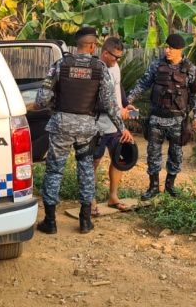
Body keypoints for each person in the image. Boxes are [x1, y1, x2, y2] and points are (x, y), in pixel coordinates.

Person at [34, 27, 128, 235]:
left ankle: (50, 222)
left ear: (78, 45)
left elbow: (42, 99)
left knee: (54, 171)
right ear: (93, 46)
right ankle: (85, 221)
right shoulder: (99, 68)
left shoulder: (61, 64)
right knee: (86, 170)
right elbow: (111, 105)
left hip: (61, 126)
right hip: (86, 129)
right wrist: (122, 129)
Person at [126, 33, 196, 200]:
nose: (167, 50)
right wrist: (128, 100)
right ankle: (153, 186)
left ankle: (170, 186)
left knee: (176, 154)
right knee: (153, 153)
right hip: (156, 118)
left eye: (171, 48)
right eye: (166, 47)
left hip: (178, 120)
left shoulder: (190, 69)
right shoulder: (157, 65)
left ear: (180, 50)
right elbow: (142, 84)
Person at [91, 37, 135, 214]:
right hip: (97, 124)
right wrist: (117, 110)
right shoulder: (95, 70)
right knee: (93, 162)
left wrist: (125, 105)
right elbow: (94, 100)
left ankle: (113, 197)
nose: (117, 60)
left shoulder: (115, 67)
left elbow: (118, 86)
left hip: (115, 125)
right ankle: (91, 201)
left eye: (119, 57)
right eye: (115, 57)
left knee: (119, 158)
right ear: (104, 53)